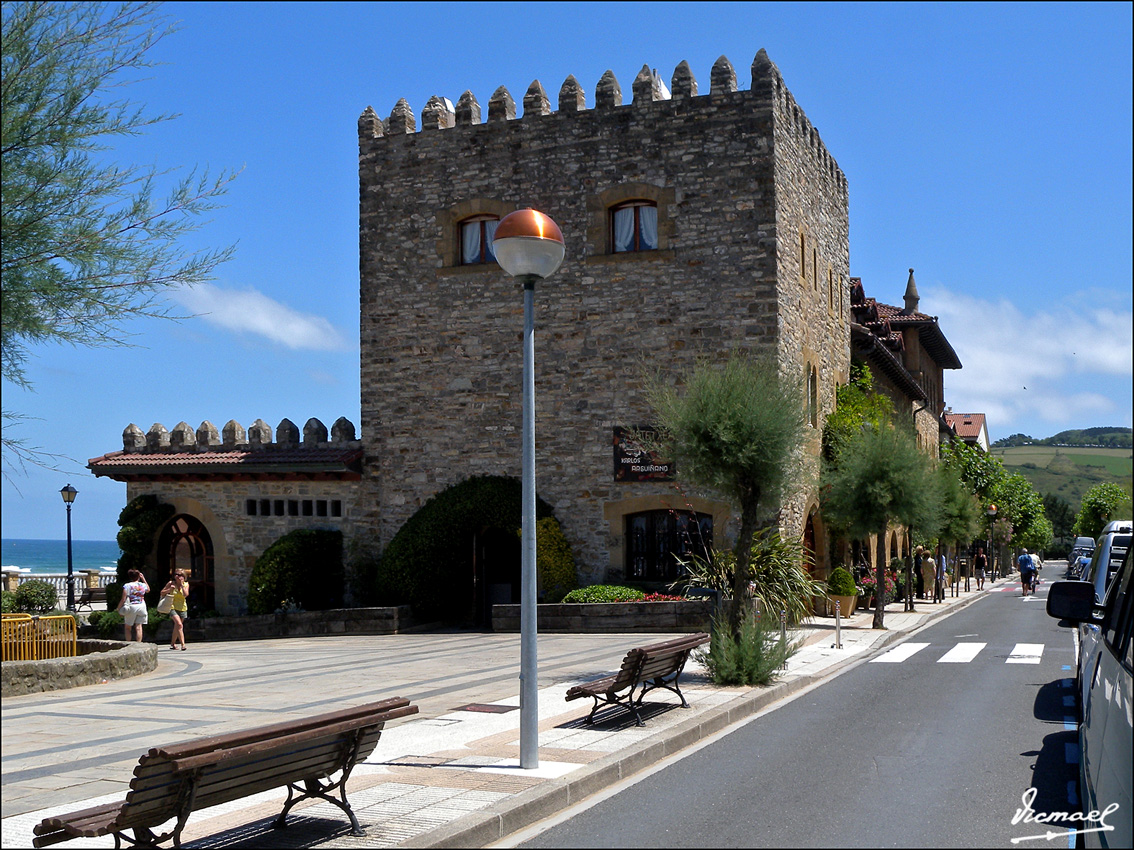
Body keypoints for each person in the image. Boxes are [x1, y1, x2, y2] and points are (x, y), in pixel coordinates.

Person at [161, 570, 190, 651]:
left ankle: (173, 643)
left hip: (182, 607)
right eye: (176, 574)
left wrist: (181, 585)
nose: (178, 576)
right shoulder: (171, 583)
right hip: (172, 606)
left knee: (177, 626)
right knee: (179, 625)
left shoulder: (186, 584)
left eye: (180, 575)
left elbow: (185, 595)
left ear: (184, 577)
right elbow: (162, 592)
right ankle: (183, 645)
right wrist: (169, 589)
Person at [117, 569, 149, 642]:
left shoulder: (127, 585)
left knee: (128, 627)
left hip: (131, 606)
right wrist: (143, 579)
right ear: (138, 576)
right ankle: (139, 643)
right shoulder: (142, 585)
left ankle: (129, 643)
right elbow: (148, 590)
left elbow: (123, 599)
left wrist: (118, 608)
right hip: (141, 606)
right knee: (139, 627)